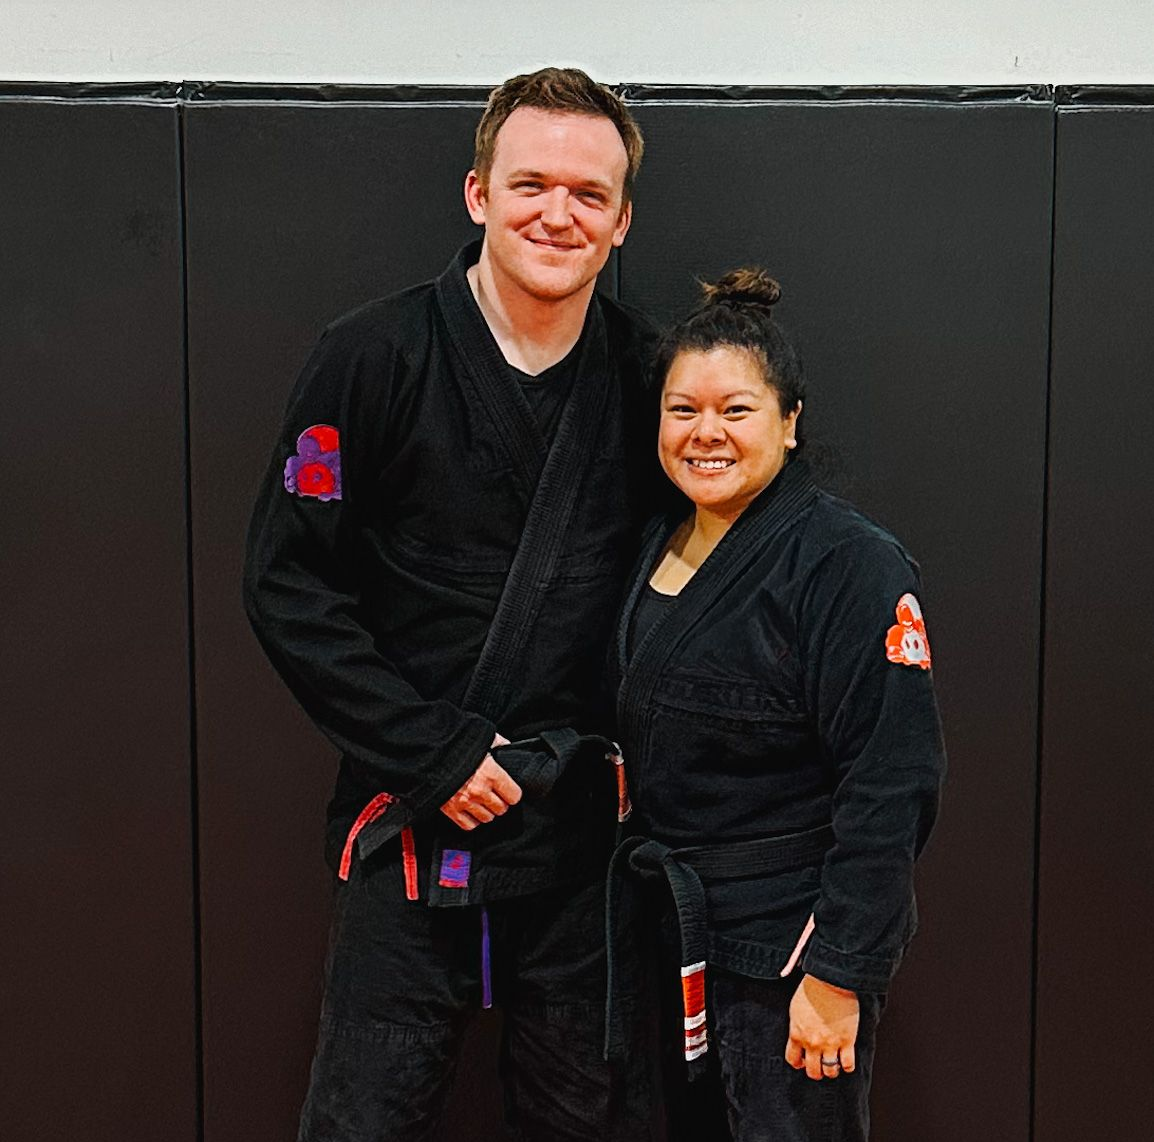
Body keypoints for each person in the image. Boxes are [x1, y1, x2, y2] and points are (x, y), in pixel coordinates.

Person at [244, 68, 659, 1142]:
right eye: (529, 184)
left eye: (585, 193)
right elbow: (287, 582)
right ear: (476, 193)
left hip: (578, 841)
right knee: (361, 1120)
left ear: (621, 220)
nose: (554, 213)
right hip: (414, 820)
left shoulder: (651, 380)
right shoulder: (370, 358)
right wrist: (426, 750)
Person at [604, 269, 946, 1141]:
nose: (704, 433)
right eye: (682, 411)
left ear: (789, 423)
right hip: (671, 940)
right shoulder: (656, 545)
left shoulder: (848, 563)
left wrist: (839, 975)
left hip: (788, 956)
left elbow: (891, 780)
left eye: (736, 410)